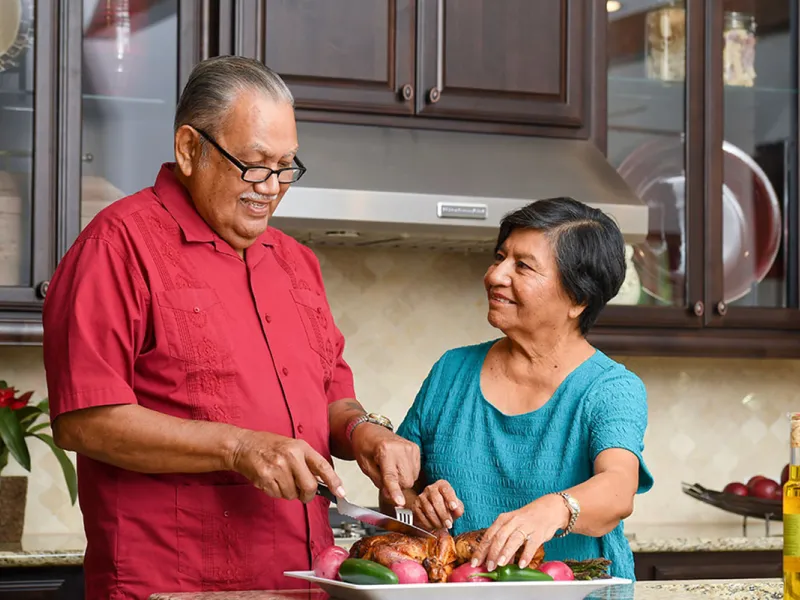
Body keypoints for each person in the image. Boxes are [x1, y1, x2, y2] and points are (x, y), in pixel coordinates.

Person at [42, 55, 420, 599]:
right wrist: (238, 447)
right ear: (189, 149)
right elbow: (84, 421)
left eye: (286, 166)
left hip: (302, 582)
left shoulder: (296, 262)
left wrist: (367, 434)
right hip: (172, 586)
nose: (272, 186)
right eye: (255, 164)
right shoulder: (117, 246)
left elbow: (332, 398)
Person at [390, 197, 653, 581]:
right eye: (500, 257)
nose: (495, 275)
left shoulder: (610, 388)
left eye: (523, 266)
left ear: (578, 299)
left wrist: (554, 509)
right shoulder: (451, 371)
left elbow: (618, 489)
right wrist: (418, 507)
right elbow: (396, 494)